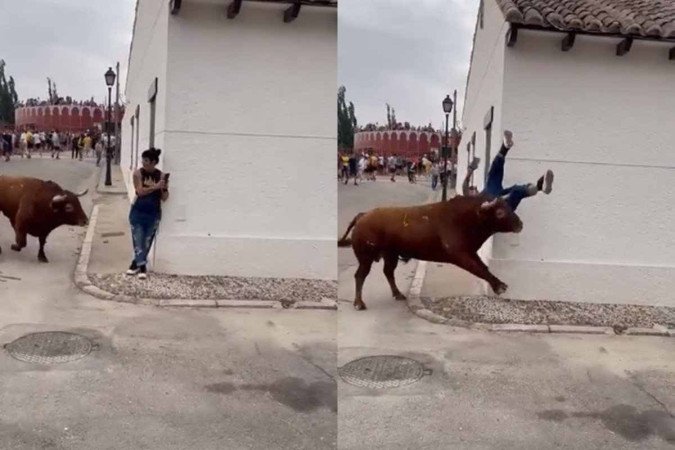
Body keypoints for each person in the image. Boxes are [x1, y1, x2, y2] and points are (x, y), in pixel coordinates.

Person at [463, 130, 554, 211]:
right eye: (473, 189)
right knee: (507, 190)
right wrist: (470, 170)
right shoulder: (475, 204)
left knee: (513, 188)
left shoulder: (485, 192)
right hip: (498, 210)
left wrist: (471, 169)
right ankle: (505, 148)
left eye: (474, 187)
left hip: (497, 199)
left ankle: (540, 187)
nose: (475, 187)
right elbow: (465, 187)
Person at [126, 148, 169, 279]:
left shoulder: (161, 176)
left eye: (146, 161)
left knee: (147, 240)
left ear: (153, 162)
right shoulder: (138, 174)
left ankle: (136, 264)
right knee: (138, 239)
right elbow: (139, 191)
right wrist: (154, 187)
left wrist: (163, 188)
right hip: (138, 211)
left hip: (154, 213)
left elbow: (165, 198)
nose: (143, 163)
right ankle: (142, 266)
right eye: (142, 160)